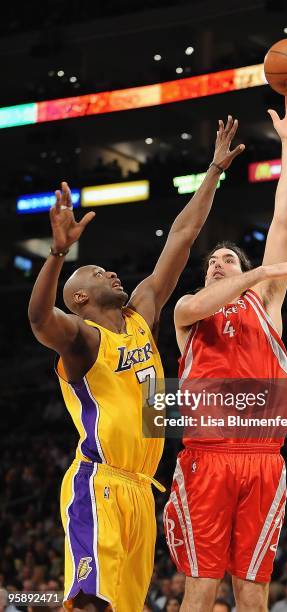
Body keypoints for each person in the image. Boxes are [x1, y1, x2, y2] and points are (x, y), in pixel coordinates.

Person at [28, 116, 245, 612]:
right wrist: (59, 254)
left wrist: (212, 170)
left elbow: (182, 235)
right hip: (98, 482)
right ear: (80, 296)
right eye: (96, 270)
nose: (110, 270)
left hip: (142, 490)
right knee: (91, 603)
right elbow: (39, 319)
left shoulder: (141, 313)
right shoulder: (83, 339)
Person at [163, 94, 287, 612]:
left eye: (228, 258)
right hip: (207, 461)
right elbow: (208, 297)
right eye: (213, 261)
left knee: (253, 591)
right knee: (201, 589)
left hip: (264, 462)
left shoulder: (266, 304)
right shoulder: (189, 310)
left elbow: (284, 224)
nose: (219, 263)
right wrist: (259, 271)